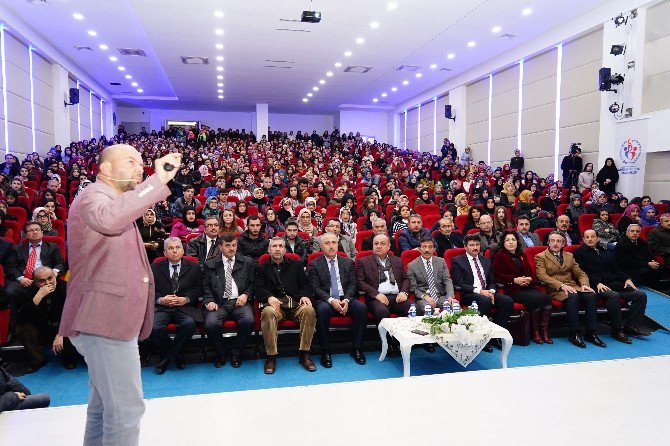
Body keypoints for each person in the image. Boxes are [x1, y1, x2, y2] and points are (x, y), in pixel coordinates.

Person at [59, 145, 181, 445]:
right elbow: (110, 219)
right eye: (131, 162)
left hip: (106, 319)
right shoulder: (93, 196)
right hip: (104, 318)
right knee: (126, 409)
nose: (141, 168)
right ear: (107, 170)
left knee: (103, 408)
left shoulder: (113, 200)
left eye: (141, 163)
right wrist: (158, 180)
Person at [574, 230, 650, 343]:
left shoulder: (606, 250)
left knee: (640, 295)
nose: (590, 239)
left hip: (613, 283)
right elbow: (580, 273)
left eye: (592, 236)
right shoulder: (579, 253)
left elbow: (616, 268)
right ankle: (618, 330)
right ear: (583, 240)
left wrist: (626, 278)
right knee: (613, 296)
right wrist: (596, 283)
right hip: (595, 287)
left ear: (598, 238)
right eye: (587, 237)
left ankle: (631, 326)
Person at [255, 237, 316, 374]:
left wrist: (305, 295)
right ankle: (271, 356)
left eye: (280, 246)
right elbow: (257, 288)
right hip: (276, 307)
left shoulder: (296, 264)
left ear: (285, 249)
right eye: (274, 246)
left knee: (309, 310)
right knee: (268, 312)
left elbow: (306, 284)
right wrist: (269, 297)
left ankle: (304, 353)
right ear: (269, 249)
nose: (277, 249)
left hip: (295, 305)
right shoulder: (261, 267)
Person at [535, 231, 604, 348]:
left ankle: (591, 332)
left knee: (591, 295)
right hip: (556, 289)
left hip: (572, 286)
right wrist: (561, 285)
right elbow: (542, 276)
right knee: (573, 297)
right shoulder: (541, 256)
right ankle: (574, 333)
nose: (555, 243)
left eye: (559, 241)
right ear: (548, 242)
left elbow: (580, 273)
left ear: (563, 244)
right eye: (552, 241)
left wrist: (585, 284)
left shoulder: (569, 256)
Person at [308, 233, 367, 367]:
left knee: (361, 308)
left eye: (333, 243)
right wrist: (331, 300)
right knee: (322, 310)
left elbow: (353, 284)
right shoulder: (315, 264)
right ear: (322, 246)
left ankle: (357, 348)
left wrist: (346, 300)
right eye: (327, 243)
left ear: (338, 244)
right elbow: (315, 287)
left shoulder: (348, 262)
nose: (331, 246)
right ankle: (326, 350)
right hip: (326, 300)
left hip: (345, 298)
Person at [451, 234, 514, 352]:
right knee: (484, 301)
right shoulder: (457, 261)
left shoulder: (486, 260)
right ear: (465, 247)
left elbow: (492, 281)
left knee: (507, 301)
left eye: (477, 245)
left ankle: (496, 336)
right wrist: (480, 292)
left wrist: (491, 291)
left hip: (487, 292)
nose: (475, 247)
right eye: (472, 245)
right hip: (469, 294)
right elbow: (460, 283)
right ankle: (481, 339)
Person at [149, 238, 202, 374]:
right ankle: (176, 355)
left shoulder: (194, 267)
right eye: (171, 248)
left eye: (177, 247)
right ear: (165, 252)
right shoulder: (154, 268)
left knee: (189, 324)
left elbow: (198, 289)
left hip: (184, 307)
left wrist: (186, 299)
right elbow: (148, 289)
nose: (174, 251)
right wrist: (161, 299)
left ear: (183, 250)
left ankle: (166, 358)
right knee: (153, 327)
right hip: (162, 307)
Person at [202, 234, 256, 368]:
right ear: (220, 247)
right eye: (227, 245)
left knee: (249, 321)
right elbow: (205, 286)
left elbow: (253, 284)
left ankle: (236, 352)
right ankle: (221, 352)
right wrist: (209, 300)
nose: (231, 249)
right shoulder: (210, 264)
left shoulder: (247, 262)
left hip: (239, 302)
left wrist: (246, 295)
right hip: (219, 303)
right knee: (211, 323)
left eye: (234, 245)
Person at [493, 231, 553, 344]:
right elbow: (496, 275)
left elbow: (531, 273)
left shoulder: (522, 255)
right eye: (507, 240)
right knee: (537, 299)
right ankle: (535, 332)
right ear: (503, 243)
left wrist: (529, 279)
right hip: (511, 289)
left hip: (526, 287)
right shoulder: (499, 256)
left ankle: (544, 331)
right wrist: (514, 280)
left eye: (513, 240)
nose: (511, 242)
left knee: (547, 298)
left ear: (517, 242)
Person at [356, 234, 410, 357]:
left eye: (382, 244)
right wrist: (376, 294)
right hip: (377, 298)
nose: (378, 246)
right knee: (382, 312)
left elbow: (406, 279)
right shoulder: (363, 261)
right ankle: (389, 344)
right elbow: (360, 282)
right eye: (376, 244)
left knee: (415, 309)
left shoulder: (397, 260)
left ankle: (406, 341)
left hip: (397, 297)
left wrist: (404, 292)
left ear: (389, 246)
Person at [15, 266, 78, 372]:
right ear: (34, 282)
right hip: (42, 327)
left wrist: (61, 333)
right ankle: (38, 359)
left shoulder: (66, 288)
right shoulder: (28, 292)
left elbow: (75, 315)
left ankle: (69, 357)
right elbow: (20, 319)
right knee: (21, 329)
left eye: (50, 278)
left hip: (63, 326)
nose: (47, 283)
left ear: (55, 277)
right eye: (42, 281)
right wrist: (38, 297)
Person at [5, 221, 66, 302]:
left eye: (37, 229)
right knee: (9, 292)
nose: (35, 232)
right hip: (25, 279)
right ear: (26, 235)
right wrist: (21, 279)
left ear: (42, 232)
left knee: (64, 290)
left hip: (46, 278)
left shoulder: (52, 247)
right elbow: (10, 267)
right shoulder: (17, 249)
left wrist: (54, 272)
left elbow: (60, 263)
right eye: (31, 230)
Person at [407, 237, 456, 316]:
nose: (427, 250)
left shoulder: (441, 262)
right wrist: (424, 296)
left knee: (455, 306)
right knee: (428, 309)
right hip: (424, 298)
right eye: (424, 247)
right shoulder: (412, 266)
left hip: (440, 296)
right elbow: (413, 288)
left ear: (434, 249)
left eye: (430, 247)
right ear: (419, 249)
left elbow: (447, 280)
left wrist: (450, 296)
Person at [615, 224, 668, 290]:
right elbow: (627, 262)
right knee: (646, 272)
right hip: (629, 268)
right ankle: (655, 288)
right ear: (627, 233)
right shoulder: (621, 244)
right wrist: (647, 263)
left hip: (643, 264)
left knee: (663, 267)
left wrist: (652, 261)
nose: (635, 233)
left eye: (637, 231)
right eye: (632, 231)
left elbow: (649, 255)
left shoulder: (642, 242)